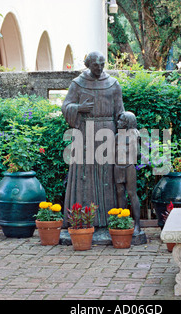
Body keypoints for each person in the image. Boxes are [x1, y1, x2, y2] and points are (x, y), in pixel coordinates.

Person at [62, 51, 125, 228]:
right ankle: (82, 220)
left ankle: (108, 220)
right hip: (84, 131)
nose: (99, 67)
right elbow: (66, 106)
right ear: (88, 64)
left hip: (107, 131)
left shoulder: (113, 84)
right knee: (84, 175)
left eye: (102, 64)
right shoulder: (78, 84)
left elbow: (120, 112)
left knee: (107, 175)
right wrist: (79, 108)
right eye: (96, 64)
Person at [114, 111, 141, 234]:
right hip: (117, 166)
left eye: (121, 121)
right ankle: (123, 222)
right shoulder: (116, 136)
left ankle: (137, 225)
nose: (118, 122)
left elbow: (138, 153)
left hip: (129, 166)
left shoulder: (133, 135)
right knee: (120, 193)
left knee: (131, 194)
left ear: (127, 123)